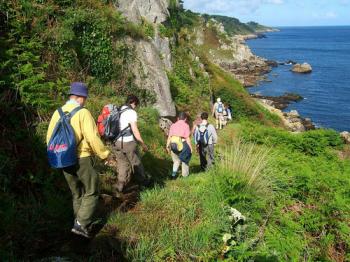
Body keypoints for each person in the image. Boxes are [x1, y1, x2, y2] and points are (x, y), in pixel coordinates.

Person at [46, 82, 110, 239]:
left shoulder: (57, 112)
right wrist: (104, 154)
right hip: (82, 158)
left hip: (63, 158)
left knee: (77, 193)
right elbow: (92, 137)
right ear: (81, 98)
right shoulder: (83, 113)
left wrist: (59, 155)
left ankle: (79, 224)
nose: (85, 101)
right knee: (92, 189)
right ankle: (81, 224)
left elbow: (49, 139)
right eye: (85, 98)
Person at [110, 95, 148, 194]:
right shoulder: (131, 112)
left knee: (122, 163)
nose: (136, 107)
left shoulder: (119, 109)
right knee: (136, 162)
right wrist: (142, 144)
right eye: (136, 105)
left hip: (115, 142)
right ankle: (143, 182)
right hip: (128, 142)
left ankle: (121, 184)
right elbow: (135, 130)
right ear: (134, 103)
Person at [166, 112, 193, 179]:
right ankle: (185, 176)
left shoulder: (173, 125)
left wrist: (167, 146)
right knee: (184, 160)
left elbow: (169, 136)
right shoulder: (186, 125)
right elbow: (187, 138)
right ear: (185, 119)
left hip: (173, 144)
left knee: (176, 161)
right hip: (183, 144)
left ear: (178, 118)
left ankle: (173, 175)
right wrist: (190, 147)